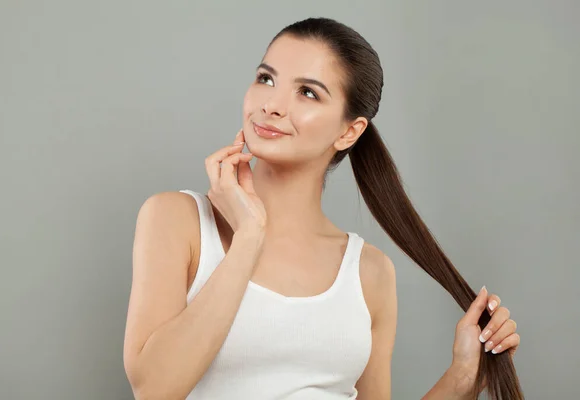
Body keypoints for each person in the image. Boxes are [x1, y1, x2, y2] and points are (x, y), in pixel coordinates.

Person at [123, 17, 522, 400]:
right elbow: (155, 389)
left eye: (308, 92)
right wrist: (248, 237)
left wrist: (462, 379)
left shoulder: (369, 271)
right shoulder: (177, 220)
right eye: (266, 79)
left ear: (349, 131)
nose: (272, 105)